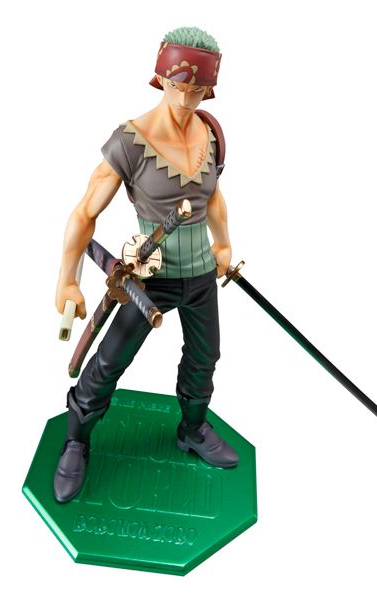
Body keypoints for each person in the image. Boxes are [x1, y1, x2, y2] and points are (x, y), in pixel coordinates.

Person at [53, 27, 238, 503]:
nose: (187, 98)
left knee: (205, 357)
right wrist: (67, 280)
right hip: (149, 278)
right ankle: (76, 439)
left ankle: (192, 430)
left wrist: (223, 246)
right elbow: (84, 213)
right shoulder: (131, 142)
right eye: (179, 86)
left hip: (201, 276)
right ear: (162, 79)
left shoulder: (210, 134)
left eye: (198, 89)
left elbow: (214, 198)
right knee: (109, 361)